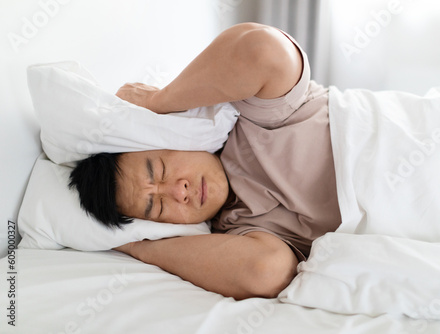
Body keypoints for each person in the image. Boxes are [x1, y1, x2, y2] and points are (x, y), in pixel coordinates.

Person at [69, 22, 342, 300]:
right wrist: (138, 248)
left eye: (161, 171)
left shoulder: (253, 118)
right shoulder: (237, 231)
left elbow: (264, 52)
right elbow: (266, 272)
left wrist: (156, 101)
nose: (179, 192)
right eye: (159, 206)